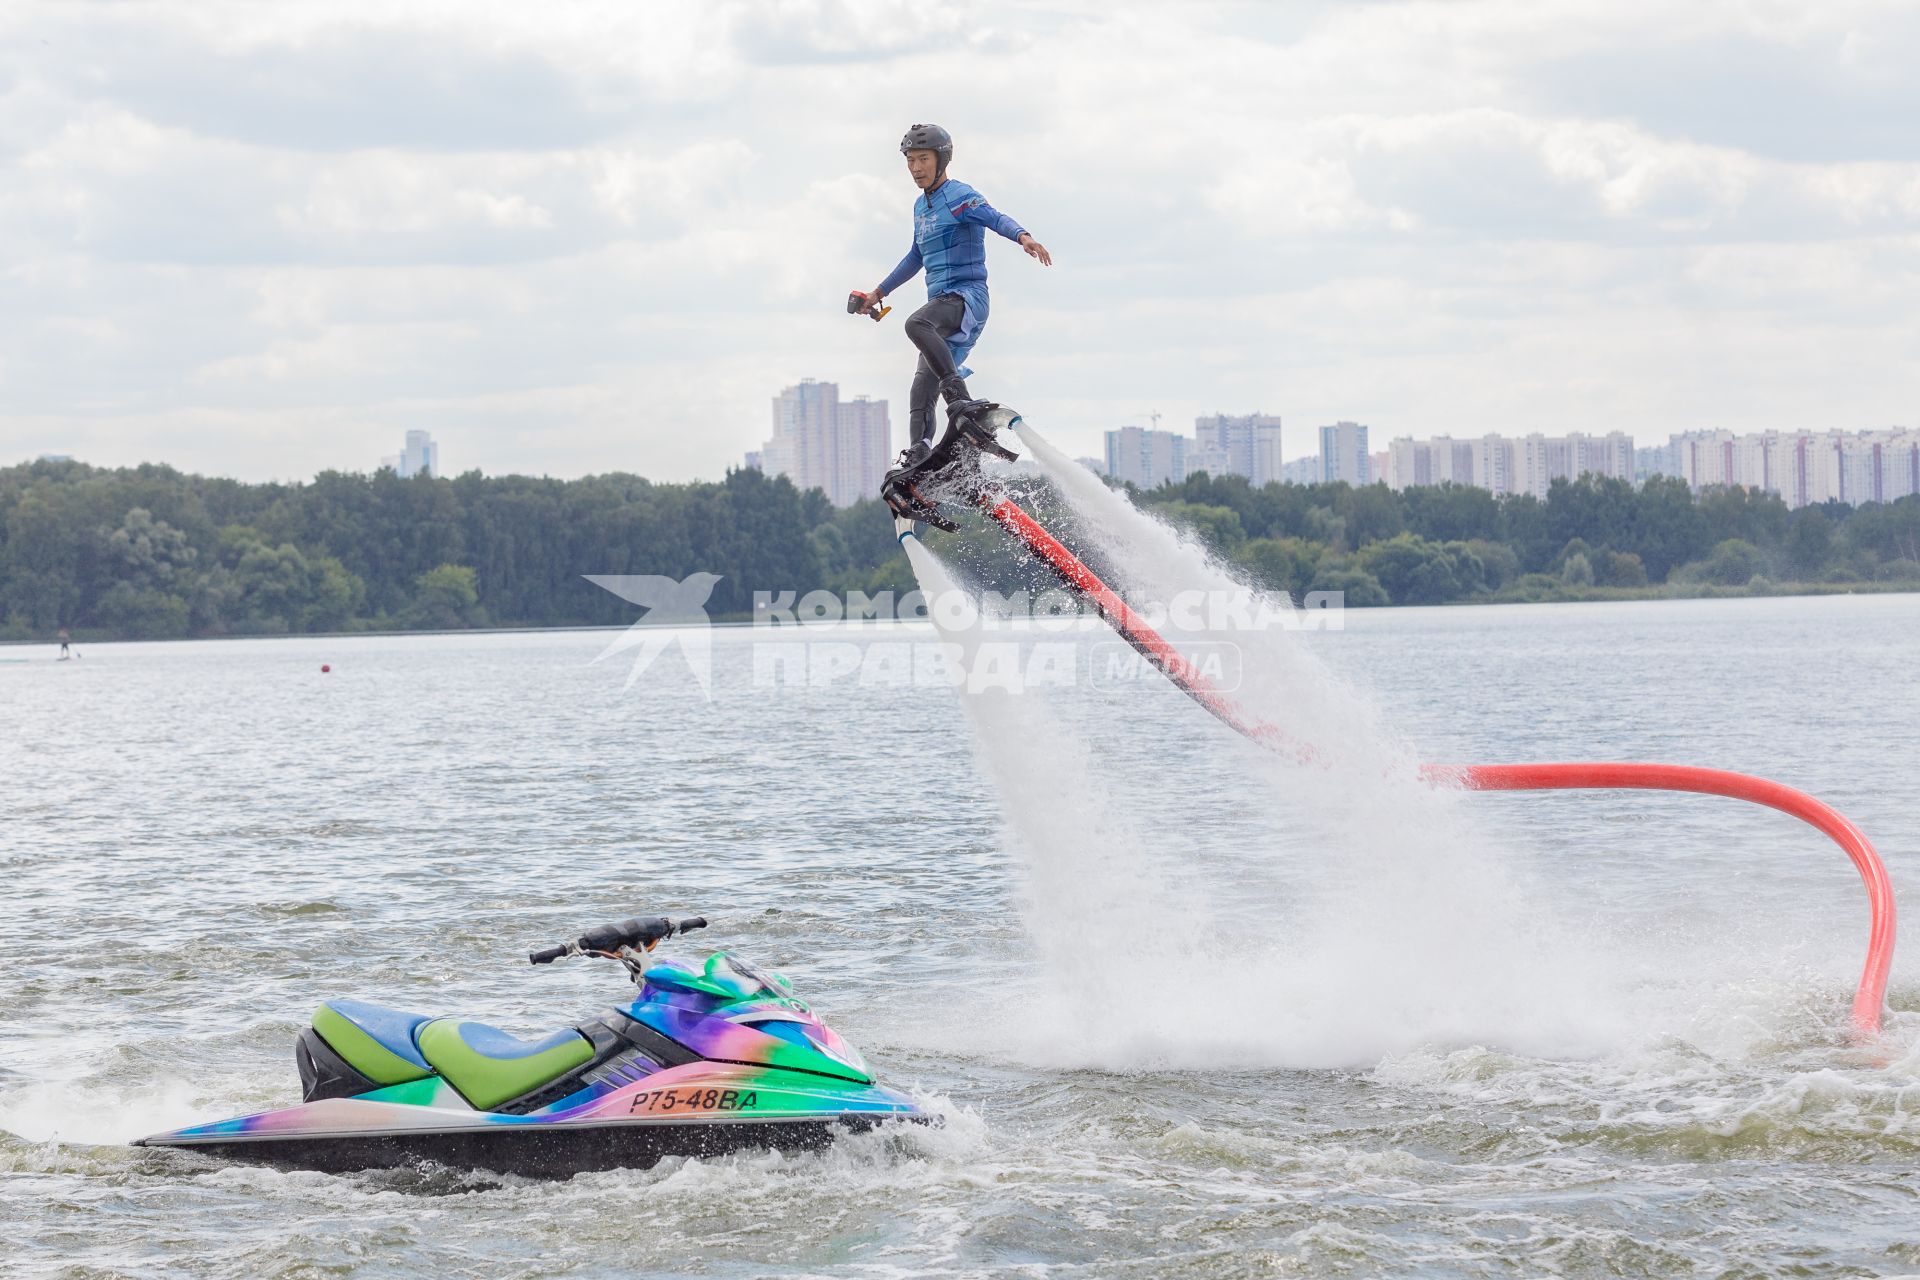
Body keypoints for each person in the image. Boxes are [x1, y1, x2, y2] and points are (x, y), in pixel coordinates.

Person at [853, 123, 1050, 468]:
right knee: (920, 390)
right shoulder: (920, 208)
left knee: (916, 324)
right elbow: (915, 256)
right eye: (910, 161)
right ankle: (924, 457)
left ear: (941, 159)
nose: (915, 168)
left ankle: (959, 399)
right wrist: (877, 293)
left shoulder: (960, 196)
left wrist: (1023, 237)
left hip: (966, 299)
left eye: (923, 159)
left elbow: (994, 217)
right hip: (940, 315)